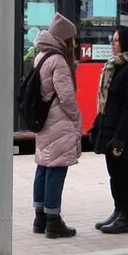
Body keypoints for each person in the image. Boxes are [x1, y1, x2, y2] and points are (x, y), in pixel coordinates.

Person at [91, 27, 128, 235]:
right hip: (112, 130)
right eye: (113, 39)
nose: (112, 43)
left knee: (124, 174)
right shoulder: (117, 66)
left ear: (127, 44)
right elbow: (109, 102)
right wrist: (98, 124)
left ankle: (126, 217)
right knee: (114, 174)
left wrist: (120, 137)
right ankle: (118, 211)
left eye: (116, 40)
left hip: (123, 135)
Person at [31, 13, 83, 239]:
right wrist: (76, 118)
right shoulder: (59, 61)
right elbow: (67, 98)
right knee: (57, 169)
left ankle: (40, 217)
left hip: (44, 121)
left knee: (43, 166)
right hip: (58, 122)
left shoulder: (41, 56)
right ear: (66, 39)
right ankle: (54, 221)